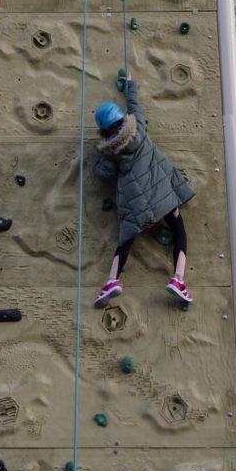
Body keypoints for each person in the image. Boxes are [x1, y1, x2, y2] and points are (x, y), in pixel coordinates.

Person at [92, 74, 195, 305]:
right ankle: (178, 279)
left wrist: (98, 152)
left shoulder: (110, 152)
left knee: (125, 241)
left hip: (135, 205)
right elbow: (135, 105)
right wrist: (129, 85)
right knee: (179, 233)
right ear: (122, 119)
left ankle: (111, 281)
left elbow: (103, 174)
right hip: (163, 198)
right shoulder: (137, 126)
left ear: (104, 132)